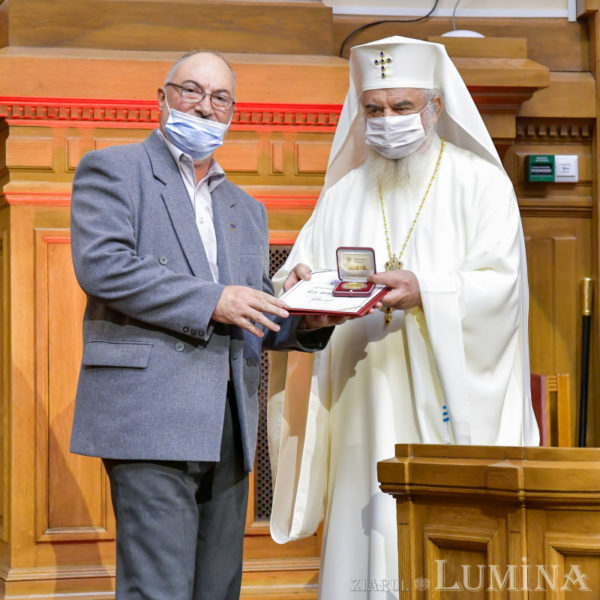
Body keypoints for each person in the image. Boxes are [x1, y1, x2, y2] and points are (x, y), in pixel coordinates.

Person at [268, 36, 540, 599]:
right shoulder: (343, 193)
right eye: (374, 109)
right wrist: (303, 299)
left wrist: (426, 291)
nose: (387, 121)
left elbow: (503, 287)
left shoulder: (481, 184)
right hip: (360, 397)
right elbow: (295, 278)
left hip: (439, 399)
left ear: (434, 108)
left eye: (402, 107)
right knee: (361, 526)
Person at [69, 50, 339, 600]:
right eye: (191, 90)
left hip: (229, 420)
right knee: (158, 589)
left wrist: (305, 313)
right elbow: (103, 266)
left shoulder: (246, 207)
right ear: (162, 98)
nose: (204, 106)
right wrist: (215, 300)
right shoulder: (114, 169)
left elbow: (249, 309)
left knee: (218, 589)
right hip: (149, 415)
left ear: (232, 113)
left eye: (220, 98)